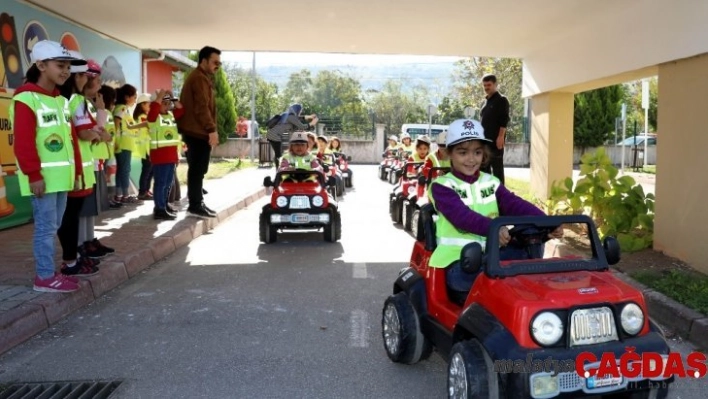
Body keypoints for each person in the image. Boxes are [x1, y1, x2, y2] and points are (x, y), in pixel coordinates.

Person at [429, 118, 563, 301]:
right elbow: (462, 217)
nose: (471, 159)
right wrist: (494, 229)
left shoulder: (490, 182)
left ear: (483, 154)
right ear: (448, 153)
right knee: (501, 276)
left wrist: (547, 222)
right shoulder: (442, 186)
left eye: (477, 152)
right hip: (459, 264)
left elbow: (514, 204)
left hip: (492, 257)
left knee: (531, 245)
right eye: (463, 152)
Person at [11, 40, 85, 292]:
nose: (66, 71)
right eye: (60, 65)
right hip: (41, 179)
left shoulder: (61, 101)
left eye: (67, 67)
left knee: (53, 227)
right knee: (45, 229)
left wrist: (75, 173)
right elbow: (23, 142)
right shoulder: (26, 98)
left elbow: (71, 141)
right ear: (41, 65)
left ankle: (50, 273)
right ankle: (44, 277)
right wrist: (33, 174)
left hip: (62, 178)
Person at [176, 45, 221, 219]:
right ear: (203, 61)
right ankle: (195, 205)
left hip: (196, 131)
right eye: (214, 62)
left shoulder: (201, 77)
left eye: (219, 63)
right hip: (197, 131)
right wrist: (211, 129)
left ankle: (197, 202)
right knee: (197, 169)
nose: (217, 65)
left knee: (198, 169)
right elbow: (202, 107)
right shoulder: (199, 79)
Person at [147, 89, 185, 220]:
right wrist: (160, 96)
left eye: (168, 103)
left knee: (168, 183)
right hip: (160, 156)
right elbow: (154, 108)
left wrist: (172, 96)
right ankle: (159, 209)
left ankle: (164, 204)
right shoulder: (153, 116)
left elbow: (181, 109)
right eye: (164, 102)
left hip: (171, 156)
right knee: (161, 183)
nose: (167, 105)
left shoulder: (170, 115)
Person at [113, 84, 146, 204]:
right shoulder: (121, 108)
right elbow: (116, 125)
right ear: (127, 97)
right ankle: (125, 195)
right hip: (123, 144)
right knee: (125, 169)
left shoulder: (125, 109)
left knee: (122, 169)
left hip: (125, 144)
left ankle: (119, 194)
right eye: (134, 96)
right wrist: (115, 141)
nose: (135, 100)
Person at [479, 74, 510, 185]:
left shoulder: (502, 100)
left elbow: (504, 120)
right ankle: (486, 198)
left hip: (495, 144)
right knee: (483, 172)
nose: (487, 87)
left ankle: (502, 199)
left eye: (489, 85)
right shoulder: (484, 102)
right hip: (484, 144)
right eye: (485, 85)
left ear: (495, 85)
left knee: (497, 172)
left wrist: (501, 136)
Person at [133, 93, 153, 200]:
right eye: (148, 103)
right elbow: (150, 128)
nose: (150, 105)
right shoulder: (143, 117)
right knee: (147, 170)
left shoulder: (146, 116)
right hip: (146, 148)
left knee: (150, 170)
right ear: (142, 105)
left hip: (149, 148)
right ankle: (142, 192)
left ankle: (146, 190)